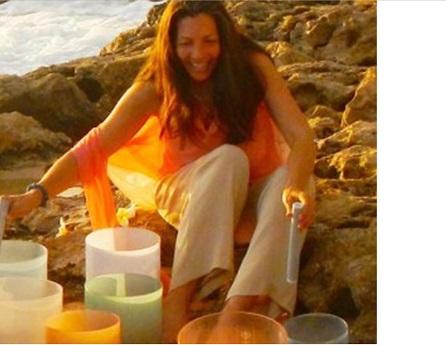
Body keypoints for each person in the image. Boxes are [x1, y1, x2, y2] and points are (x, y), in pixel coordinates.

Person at [0, 1, 316, 342]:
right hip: (189, 195)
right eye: (187, 43)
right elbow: (95, 146)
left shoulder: (251, 68)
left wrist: (296, 185)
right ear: (171, 44)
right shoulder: (157, 85)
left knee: (294, 179)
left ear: (224, 38)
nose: (199, 53)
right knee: (228, 158)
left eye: (209, 40)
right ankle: (178, 303)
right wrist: (37, 195)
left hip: (252, 199)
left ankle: (237, 314)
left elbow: (302, 136)